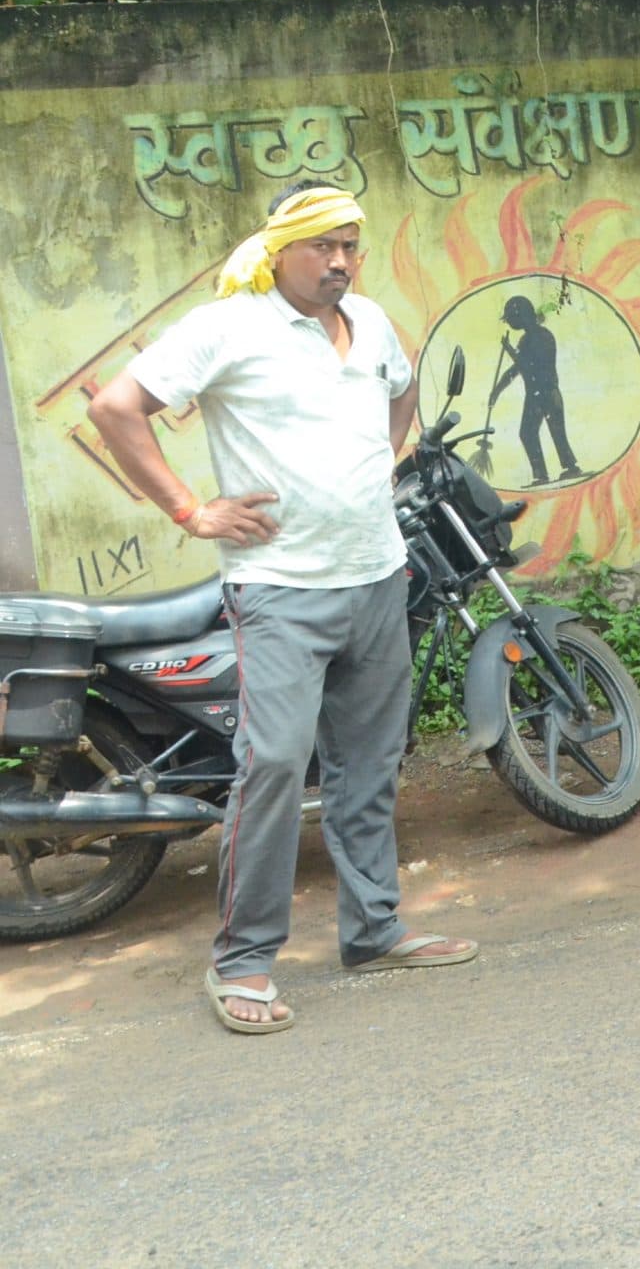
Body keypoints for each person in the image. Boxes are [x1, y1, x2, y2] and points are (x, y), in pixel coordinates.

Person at [86, 183, 475, 1034]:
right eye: (321, 247)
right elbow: (115, 408)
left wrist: (373, 462)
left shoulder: (369, 322)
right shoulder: (229, 327)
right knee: (271, 768)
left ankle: (373, 930)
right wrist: (192, 511)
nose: (338, 262)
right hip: (279, 591)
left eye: (349, 246)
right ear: (278, 251)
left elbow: (399, 394)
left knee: (368, 766)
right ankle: (244, 962)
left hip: (376, 576)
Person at [492, 293, 581, 484]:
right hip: (536, 395)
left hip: (546, 392)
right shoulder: (526, 340)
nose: (510, 324)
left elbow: (529, 365)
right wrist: (497, 390)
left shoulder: (542, 336)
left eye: (512, 319)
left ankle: (568, 467)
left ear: (522, 316)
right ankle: (543, 473)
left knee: (554, 430)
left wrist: (511, 351)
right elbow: (516, 370)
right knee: (529, 433)